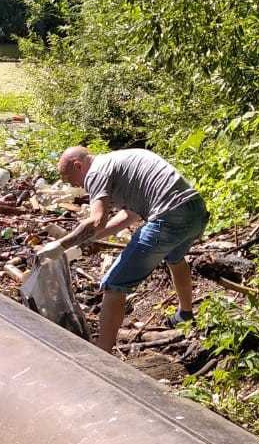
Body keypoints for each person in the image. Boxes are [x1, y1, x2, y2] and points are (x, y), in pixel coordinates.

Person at [36, 146, 209, 352]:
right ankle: (185, 314)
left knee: (114, 284)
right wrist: (90, 238)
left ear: (78, 165)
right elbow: (130, 215)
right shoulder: (117, 161)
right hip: (195, 211)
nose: (73, 184)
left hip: (169, 216)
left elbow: (97, 219)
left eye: (69, 178)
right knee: (175, 258)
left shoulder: (96, 171)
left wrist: (61, 245)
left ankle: (103, 354)